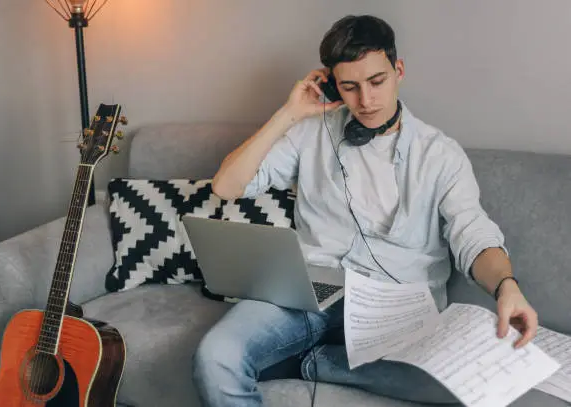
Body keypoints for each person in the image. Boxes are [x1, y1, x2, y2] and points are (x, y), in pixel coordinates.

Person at [192, 14, 538, 407]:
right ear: (331, 85)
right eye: (350, 87)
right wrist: (289, 113)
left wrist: (506, 286)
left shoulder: (439, 154)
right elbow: (226, 186)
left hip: (396, 307)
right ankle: (314, 358)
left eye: (377, 82)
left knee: (470, 382)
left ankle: (317, 364)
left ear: (398, 70)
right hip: (311, 288)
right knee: (215, 356)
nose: (366, 101)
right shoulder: (313, 131)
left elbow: (472, 233)